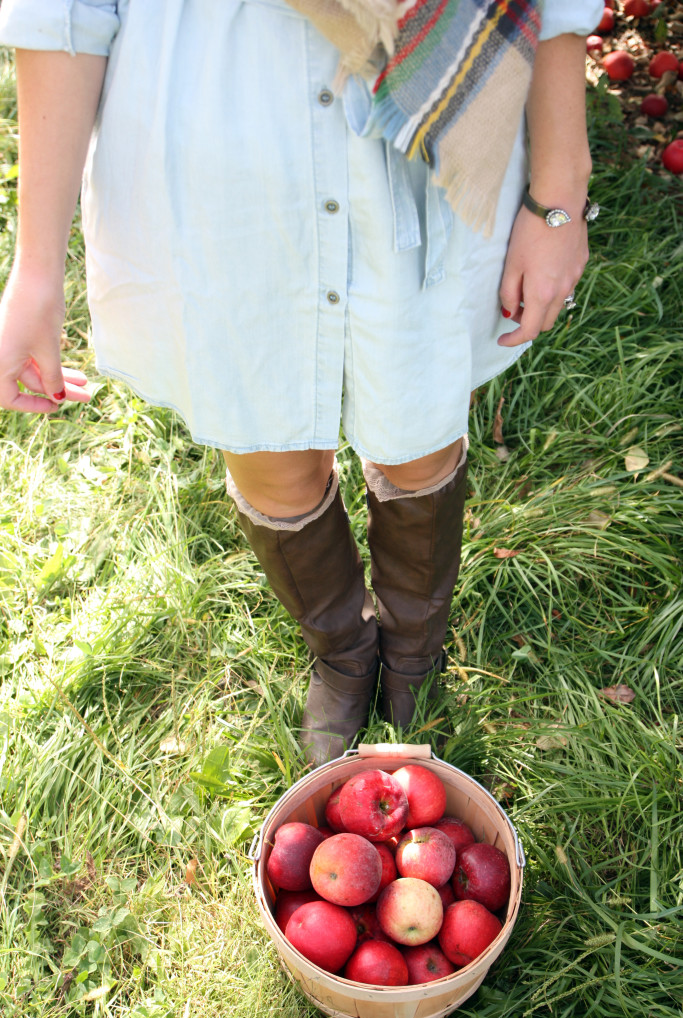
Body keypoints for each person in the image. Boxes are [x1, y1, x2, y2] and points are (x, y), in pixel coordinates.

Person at [0, 0, 603, 765]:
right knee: (270, 448)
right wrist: (35, 270)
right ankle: (344, 654)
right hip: (216, 172)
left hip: (426, 140)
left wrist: (559, 195)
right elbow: (65, 16)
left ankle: (414, 652)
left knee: (417, 438)